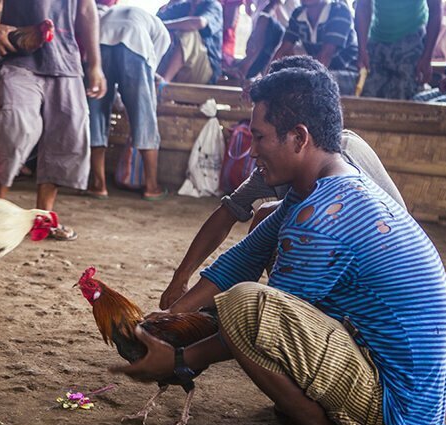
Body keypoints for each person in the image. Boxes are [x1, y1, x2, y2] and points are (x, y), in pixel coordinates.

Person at [113, 67, 446, 425]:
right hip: (389, 379)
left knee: (244, 304)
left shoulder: (324, 215)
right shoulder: (319, 188)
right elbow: (241, 259)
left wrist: (181, 359)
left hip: (390, 409)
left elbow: (259, 320)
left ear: (299, 138)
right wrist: (170, 320)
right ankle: (321, 416)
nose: (252, 150)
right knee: (254, 257)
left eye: (259, 137)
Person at [160, 55, 406, 310]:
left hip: (376, 294)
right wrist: (180, 284)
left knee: (252, 307)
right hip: (348, 272)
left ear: (298, 131)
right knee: (267, 216)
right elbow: (238, 238)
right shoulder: (293, 167)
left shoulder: (340, 168)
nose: (253, 151)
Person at [0, 0, 107, 241]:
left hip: (66, 59)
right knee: (13, 128)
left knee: (66, 136)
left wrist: (95, 65)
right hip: (18, 56)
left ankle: (44, 217)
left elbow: (86, 9)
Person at [88, 2, 170, 200]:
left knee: (96, 115)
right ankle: (151, 186)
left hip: (101, 41)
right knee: (145, 117)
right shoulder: (163, 33)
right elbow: (150, 67)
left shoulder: (112, 12)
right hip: (135, 43)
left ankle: (99, 185)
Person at [356, 0, 442, 100]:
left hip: (412, 41)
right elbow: (363, 6)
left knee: (405, 99)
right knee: (369, 98)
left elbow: (435, 9)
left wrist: (427, 57)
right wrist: (362, 50)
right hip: (377, 42)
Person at [272, 0, 359, 95]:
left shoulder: (339, 11)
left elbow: (325, 56)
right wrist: (268, 79)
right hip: (319, 71)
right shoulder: (298, 14)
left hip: (346, 74)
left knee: (307, 84)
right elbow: (284, 50)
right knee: (293, 82)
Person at [157, 0, 223, 84]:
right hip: (180, 71)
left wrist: (165, 26)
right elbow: (155, 22)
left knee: (189, 31)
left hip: (204, 71)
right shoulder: (183, 6)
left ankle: (164, 81)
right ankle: (154, 76)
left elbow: (199, 23)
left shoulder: (213, 5)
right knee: (160, 32)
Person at [224, 0, 284, 80]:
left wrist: (243, 69)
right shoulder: (264, 15)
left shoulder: (264, 18)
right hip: (257, 66)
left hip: (252, 67)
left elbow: (257, 46)